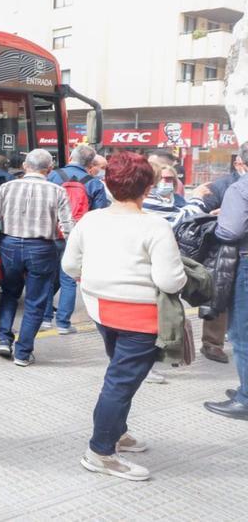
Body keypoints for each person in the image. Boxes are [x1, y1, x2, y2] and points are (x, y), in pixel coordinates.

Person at [62, 152, 186, 480]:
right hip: (140, 319)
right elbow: (170, 281)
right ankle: (100, 452)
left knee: (120, 378)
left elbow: (70, 266)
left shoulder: (90, 220)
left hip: (101, 311)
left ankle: (117, 433)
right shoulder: (155, 227)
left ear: (107, 183)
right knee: (120, 384)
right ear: (148, 187)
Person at [0, 148, 74, 366]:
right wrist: (75, 252)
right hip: (41, 248)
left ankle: (3, 338)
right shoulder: (57, 191)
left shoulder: (7, 187)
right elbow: (67, 226)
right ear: (49, 169)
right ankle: (22, 352)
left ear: (25, 166)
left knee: (9, 293)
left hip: (10, 245)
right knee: (36, 302)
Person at [44, 144, 112, 334]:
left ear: (71, 157)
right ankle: (64, 324)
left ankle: (46, 319)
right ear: (90, 163)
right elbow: (99, 215)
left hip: (51, 233)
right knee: (68, 280)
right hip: (76, 236)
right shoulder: (95, 183)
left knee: (47, 277)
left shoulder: (52, 176)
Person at [206, 142, 248, 421]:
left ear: (241, 161)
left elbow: (230, 231)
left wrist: (218, 222)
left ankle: (245, 400)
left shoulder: (240, 188)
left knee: (241, 335)